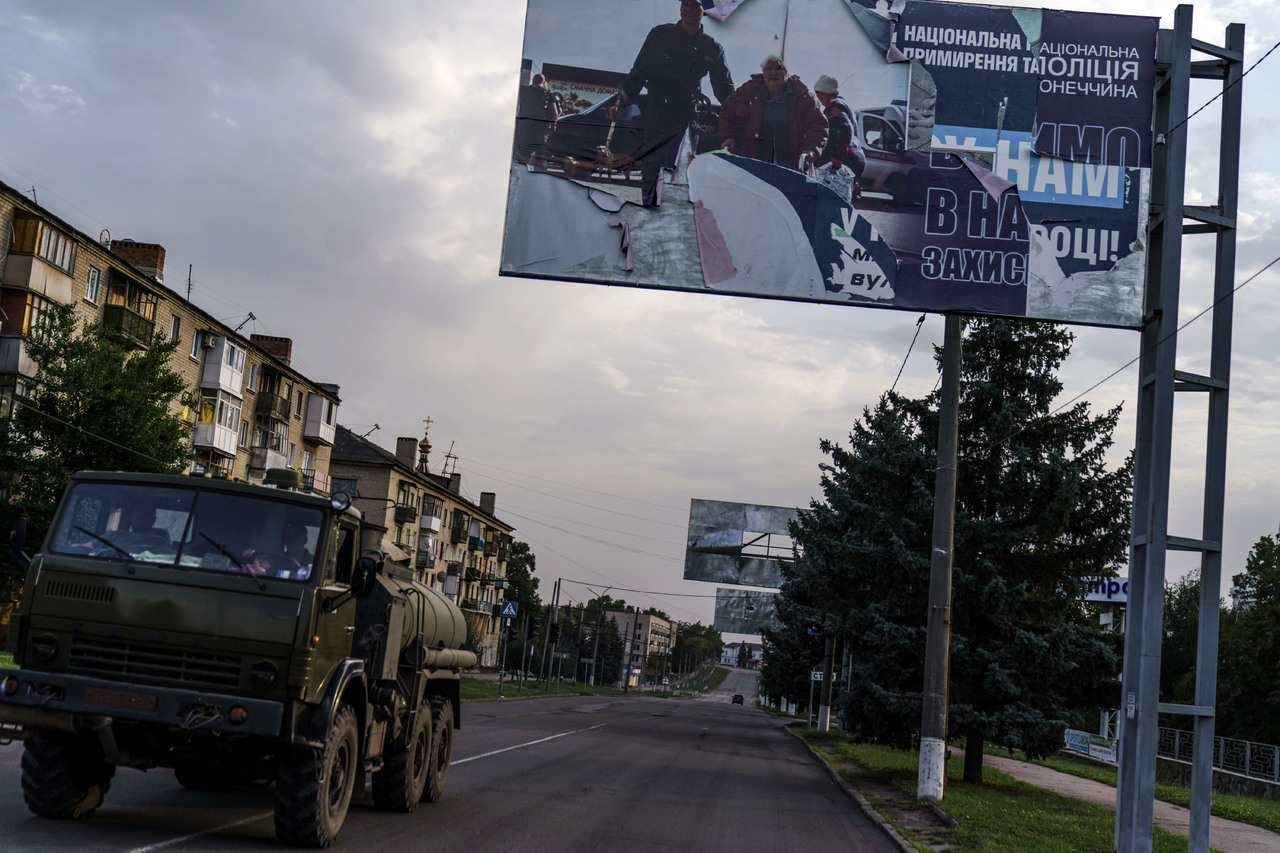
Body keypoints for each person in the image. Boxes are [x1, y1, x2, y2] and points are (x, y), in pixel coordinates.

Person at [612, 0, 735, 205]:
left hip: (686, 116)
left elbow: (724, 89)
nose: (688, 9)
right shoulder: (659, 35)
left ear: (704, 11)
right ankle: (647, 206)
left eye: (694, 5)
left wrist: (738, 114)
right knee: (651, 166)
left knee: (681, 169)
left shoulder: (711, 48)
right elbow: (638, 73)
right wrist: (621, 104)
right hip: (656, 110)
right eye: (685, 3)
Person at [718, 55, 828, 173]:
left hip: (790, 163)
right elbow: (727, 114)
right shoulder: (748, 90)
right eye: (769, 68)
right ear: (762, 72)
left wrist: (811, 150)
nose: (773, 72)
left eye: (779, 68)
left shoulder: (803, 96)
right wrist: (727, 137)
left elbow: (818, 127)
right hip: (752, 160)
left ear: (788, 73)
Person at [812, 75, 866, 182]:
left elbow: (844, 128)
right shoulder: (844, 105)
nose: (817, 97)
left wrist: (837, 156)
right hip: (855, 157)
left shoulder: (834, 106)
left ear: (825, 92)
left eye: (818, 93)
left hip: (846, 159)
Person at [514, 72, 561, 165]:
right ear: (543, 82)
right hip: (540, 128)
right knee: (539, 151)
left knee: (523, 151)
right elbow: (555, 113)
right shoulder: (548, 94)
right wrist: (553, 126)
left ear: (533, 81)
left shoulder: (523, 91)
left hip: (524, 126)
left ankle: (522, 166)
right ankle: (537, 168)